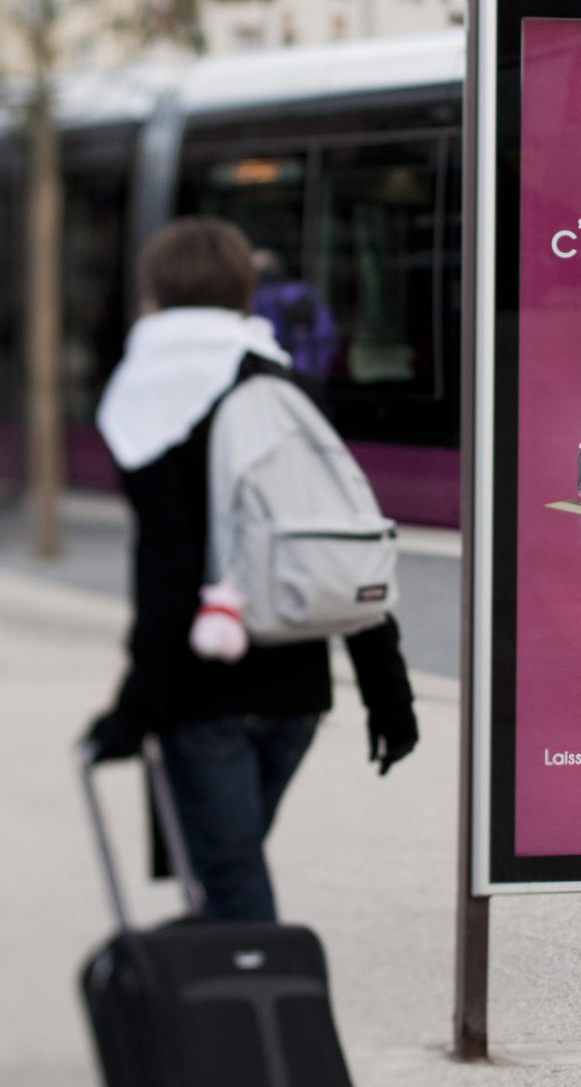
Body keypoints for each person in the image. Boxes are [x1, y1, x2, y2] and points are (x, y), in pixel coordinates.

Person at [84, 218, 417, 923]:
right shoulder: (286, 380)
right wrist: (388, 693)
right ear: (243, 293)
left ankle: (262, 1025)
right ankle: (222, 1019)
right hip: (297, 691)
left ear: (151, 298)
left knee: (230, 888)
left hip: (204, 693)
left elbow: (168, 566)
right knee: (224, 874)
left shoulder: (145, 396)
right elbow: (334, 534)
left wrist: (136, 708)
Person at [249, 248, 341, 384]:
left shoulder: (258, 298)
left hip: (275, 374)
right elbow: (327, 335)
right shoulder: (306, 292)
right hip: (307, 372)